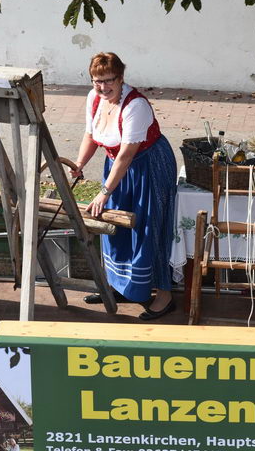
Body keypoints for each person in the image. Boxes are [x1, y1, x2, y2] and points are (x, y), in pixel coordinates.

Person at [69, 52, 178, 320]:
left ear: (121, 78)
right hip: (116, 166)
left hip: (148, 166)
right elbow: (91, 135)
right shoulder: (94, 98)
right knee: (114, 226)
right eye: (97, 81)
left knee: (149, 226)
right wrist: (78, 164)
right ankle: (122, 287)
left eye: (109, 81)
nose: (103, 87)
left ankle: (163, 296)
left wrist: (104, 191)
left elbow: (127, 154)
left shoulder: (135, 105)